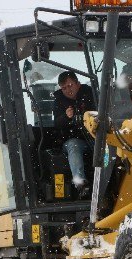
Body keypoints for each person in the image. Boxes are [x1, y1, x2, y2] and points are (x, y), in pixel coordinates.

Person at [52, 71, 96, 199]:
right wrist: (66, 117)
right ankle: (81, 184)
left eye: (70, 85)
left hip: (95, 137)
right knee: (73, 145)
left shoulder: (91, 94)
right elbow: (57, 124)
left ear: (78, 84)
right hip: (75, 140)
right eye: (64, 88)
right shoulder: (59, 101)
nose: (67, 90)